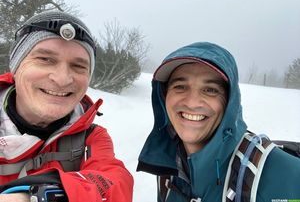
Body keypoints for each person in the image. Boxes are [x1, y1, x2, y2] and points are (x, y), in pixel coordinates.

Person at [137, 42, 300, 202]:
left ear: (230, 102)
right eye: (180, 86)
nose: (192, 103)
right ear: (164, 96)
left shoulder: (287, 176)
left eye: (210, 90)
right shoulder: (169, 169)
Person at [0, 11, 133, 202]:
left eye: (78, 66)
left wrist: (34, 197)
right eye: (45, 59)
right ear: (16, 65)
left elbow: (115, 182)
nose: (62, 79)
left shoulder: (91, 137)